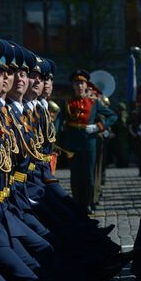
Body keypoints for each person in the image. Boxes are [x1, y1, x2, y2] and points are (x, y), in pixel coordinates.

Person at [58, 69, 117, 213]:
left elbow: (113, 116)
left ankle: (88, 203)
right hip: (72, 144)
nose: (79, 86)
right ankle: (77, 203)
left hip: (89, 143)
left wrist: (98, 127)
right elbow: (59, 122)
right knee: (75, 176)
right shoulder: (68, 103)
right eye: (77, 83)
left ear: (86, 85)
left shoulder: (94, 103)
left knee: (89, 175)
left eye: (82, 83)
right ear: (73, 86)